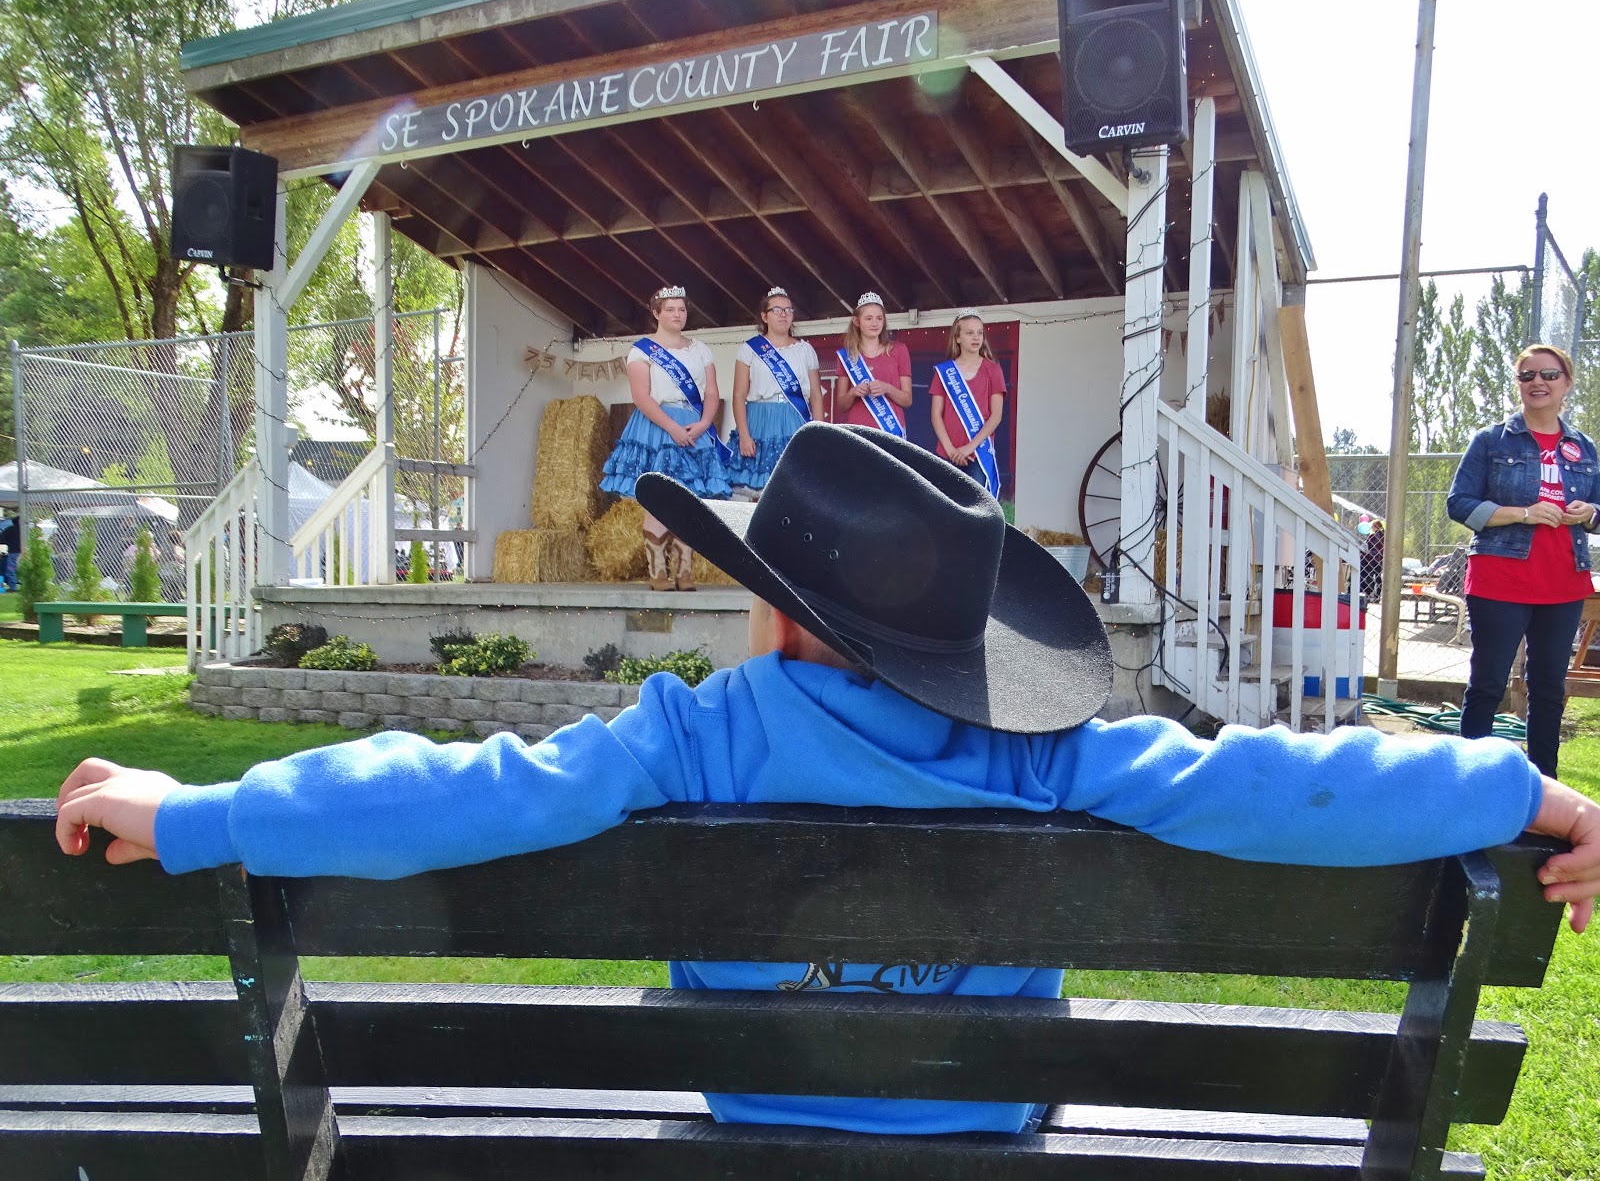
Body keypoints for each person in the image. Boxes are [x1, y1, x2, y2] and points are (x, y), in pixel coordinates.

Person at [56, 424, 1600, 1139]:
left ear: (780, 611)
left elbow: (453, 790)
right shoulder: (1055, 752)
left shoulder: (702, 731)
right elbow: (1289, 783)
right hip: (981, 1133)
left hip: (756, 1114)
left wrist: (195, 812)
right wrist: (1522, 793)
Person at [1447, 343, 1599, 778]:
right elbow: (1458, 504)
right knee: (1488, 684)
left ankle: (1544, 789)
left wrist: (1590, 513)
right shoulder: (1491, 441)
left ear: (1567, 384)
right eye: (1527, 375)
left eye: (1549, 375)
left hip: (1564, 583)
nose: (1538, 383)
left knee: (1549, 689)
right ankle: (1470, 784)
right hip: (1501, 578)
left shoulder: (1583, 447)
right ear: (1518, 384)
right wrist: (1524, 513)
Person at [599, 284, 731, 590]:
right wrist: (672, 428)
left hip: (695, 425)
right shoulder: (641, 350)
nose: (677, 314)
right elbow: (642, 397)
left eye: (681, 309)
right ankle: (658, 572)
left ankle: (685, 573)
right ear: (656, 313)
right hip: (656, 426)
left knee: (689, 502)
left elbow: (711, 392)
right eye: (670, 309)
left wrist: (704, 423)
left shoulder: (700, 349)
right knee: (657, 501)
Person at [726, 286, 823, 500]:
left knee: (793, 488)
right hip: (759, 419)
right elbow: (739, 395)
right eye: (777, 310)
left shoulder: (805, 350)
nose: (784, 315)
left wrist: (819, 433)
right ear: (764, 316)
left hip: (793, 419)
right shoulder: (750, 349)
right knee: (758, 490)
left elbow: (815, 395)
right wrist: (744, 434)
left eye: (788, 310)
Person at [929, 310, 1007, 496]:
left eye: (980, 333)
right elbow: (935, 415)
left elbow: (996, 416)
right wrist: (950, 450)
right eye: (969, 333)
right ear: (957, 338)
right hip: (946, 453)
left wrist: (968, 448)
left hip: (977, 454)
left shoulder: (993, 370)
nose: (976, 337)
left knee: (975, 508)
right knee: (945, 508)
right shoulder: (944, 372)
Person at [832, 292, 912, 436]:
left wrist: (887, 388)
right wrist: (853, 393)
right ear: (857, 322)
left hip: (890, 430)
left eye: (879, 318)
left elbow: (907, 400)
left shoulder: (899, 350)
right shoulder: (847, 356)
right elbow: (841, 406)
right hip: (858, 433)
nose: (875, 323)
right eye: (868, 318)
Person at [0, 507, 20, 593]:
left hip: (13, 553)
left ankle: (13, 587)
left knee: (11, 570)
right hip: (27, 552)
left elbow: (2, 540)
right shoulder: (27, 530)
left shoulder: (9, 529)